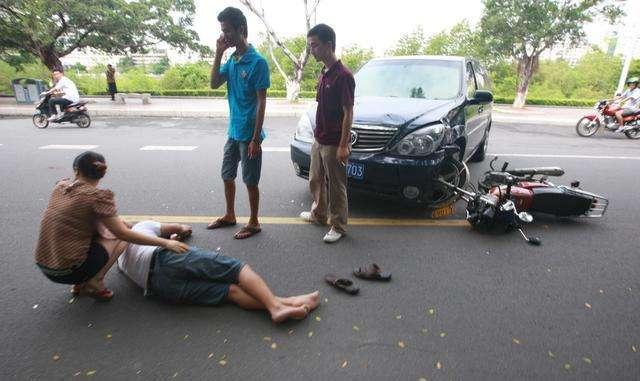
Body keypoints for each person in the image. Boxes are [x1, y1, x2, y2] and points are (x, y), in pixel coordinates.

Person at [34, 151, 189, 301]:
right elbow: (124, 234)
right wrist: (166, 242)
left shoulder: (60, 187)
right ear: (102, 172)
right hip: (70, 271)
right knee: (124, 233)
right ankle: (95, 280)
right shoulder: (97, 197)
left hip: (46, 267)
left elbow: (88, 218)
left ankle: (80, 283)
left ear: (76, 170)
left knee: (109, 229)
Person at [114, 220, 320, 323]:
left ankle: (289, 302)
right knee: (237, 269)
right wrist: (175, 236)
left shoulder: (120, 261)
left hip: (159, 287)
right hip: (165, 257)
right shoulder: (141, 226)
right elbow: (183, 228)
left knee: (232, 292)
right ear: (123, 226)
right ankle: (276, 307)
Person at [207, 7, 270, 240]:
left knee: (250, 181)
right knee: (227, 175)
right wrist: (218, 52)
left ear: (241, 29)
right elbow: (214, 83)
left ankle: (254, 222)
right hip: (233, 132)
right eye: (222, 31)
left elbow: (262, 103)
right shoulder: (233, 60)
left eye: (227, 31)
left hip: (250, 135)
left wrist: (255, 139)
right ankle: (230, 214)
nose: (224, 36)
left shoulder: (257, 62)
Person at [299, 24, 355, 243]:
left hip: (333, 142)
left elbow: (348, 112)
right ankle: (319, 213)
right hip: (319, 138)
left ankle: (338, 225)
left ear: (328, 45)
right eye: (310, 46)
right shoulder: (324, 73)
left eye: (314, 45)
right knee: (315, 179)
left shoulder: (344, 76)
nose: (311, 50)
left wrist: (343, 145)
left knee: (336, 186)